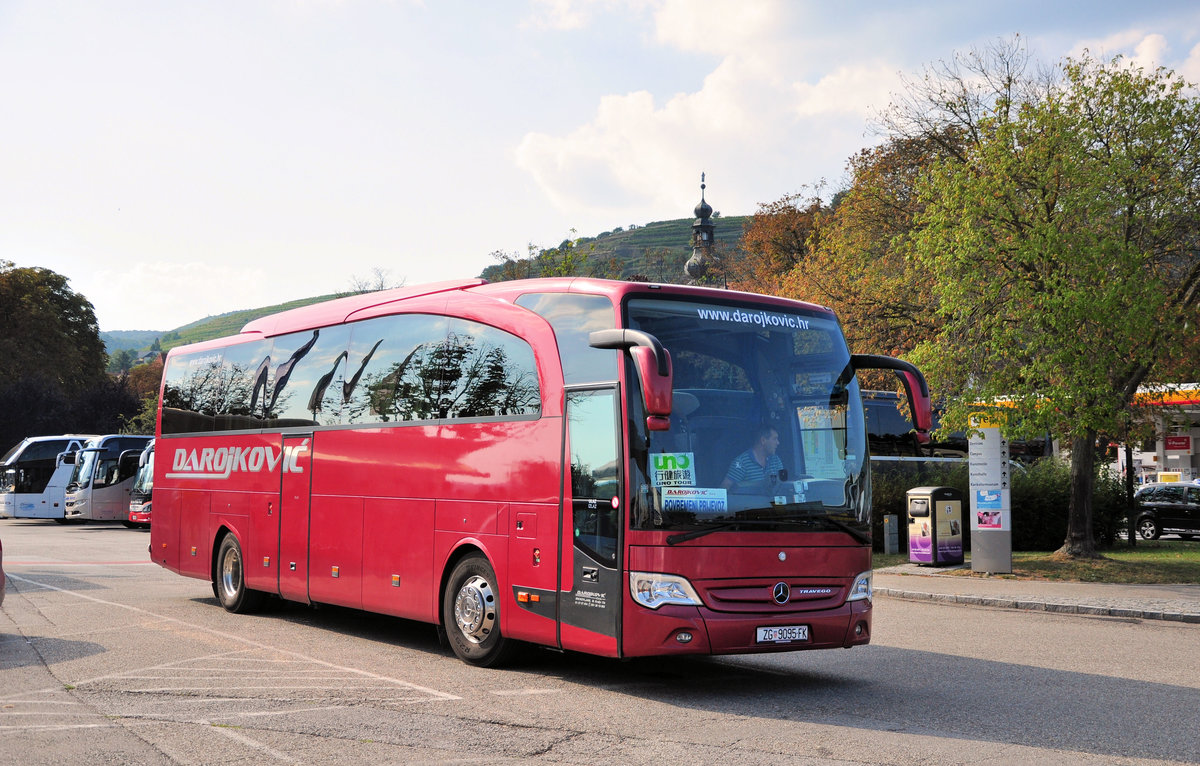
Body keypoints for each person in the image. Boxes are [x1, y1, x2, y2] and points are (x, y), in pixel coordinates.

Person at [721, 424, 785, 492]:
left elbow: (783, 485)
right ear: (763, 440)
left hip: (773, 502)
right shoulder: (741, 462)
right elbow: (724, 489)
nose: (778, 443)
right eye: (775, 439)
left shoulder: (776, 460)